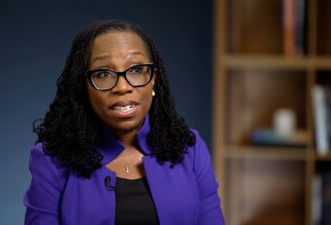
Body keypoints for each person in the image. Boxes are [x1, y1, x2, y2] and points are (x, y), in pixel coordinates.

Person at [24, 19, 225, 225]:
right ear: (83, 86)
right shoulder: (53, 159)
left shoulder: (190, 149)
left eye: (136, 70)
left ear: (154, 78)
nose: (122, 87)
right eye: (103, 74)